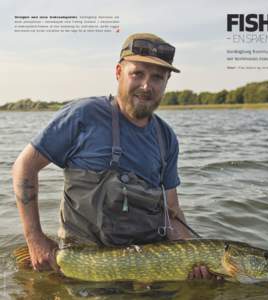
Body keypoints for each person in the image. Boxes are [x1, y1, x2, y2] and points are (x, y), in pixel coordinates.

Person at [12, 33, 214, 280]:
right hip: (83, 261)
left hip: (147, 263)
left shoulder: (166, 137)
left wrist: (196, 259)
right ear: (119, 72)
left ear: (167, 81)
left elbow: (171, 210)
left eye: (157, 78)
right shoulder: (83, 116)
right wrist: (35, 240)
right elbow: (24, 166)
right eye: (137, 74)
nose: (146, 86)